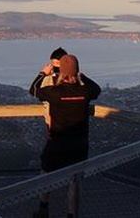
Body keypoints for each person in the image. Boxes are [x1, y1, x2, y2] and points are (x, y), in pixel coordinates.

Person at [31, 54, 101, 218]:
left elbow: (34, 90)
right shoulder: (85, 91)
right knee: (74, 181)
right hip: (79, 144)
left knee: (46, 173)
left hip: (56, 141)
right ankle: (71, 214)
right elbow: (97, 89)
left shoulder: (54, 92)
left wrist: (43, 74)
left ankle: (43, 209)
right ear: (76, 71)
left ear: (60, 70)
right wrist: (81, 76)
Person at [28, 46, 68, 129]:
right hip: (71, 124)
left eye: (57, 64)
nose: (54, 67)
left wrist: (42, 74)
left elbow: (33, 90)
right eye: (52, 64)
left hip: (55, 124)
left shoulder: (51, 88)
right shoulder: (76, 82)